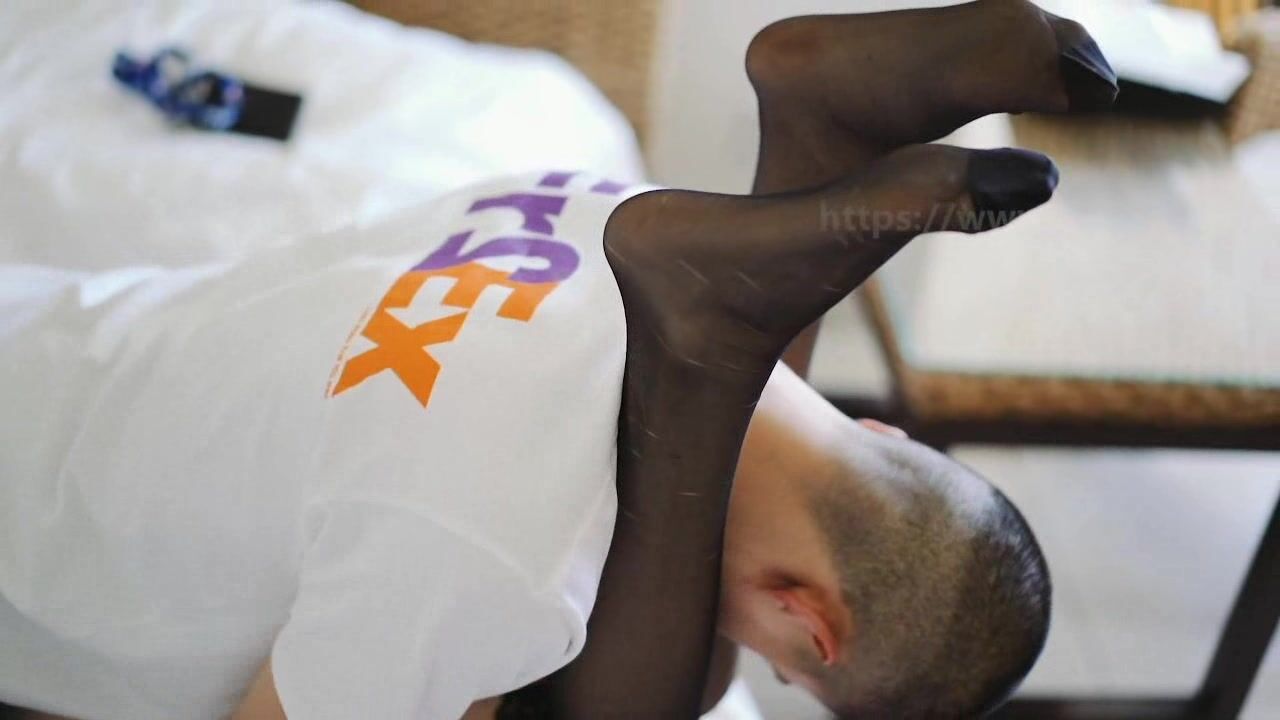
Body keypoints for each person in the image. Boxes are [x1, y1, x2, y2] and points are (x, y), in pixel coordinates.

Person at [0, 1, 1115, 719]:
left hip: (66, 349)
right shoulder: (492, 558)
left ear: (883, 432)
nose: (762, 668)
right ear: (808, 624)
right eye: (790, 667)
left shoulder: (592, 200)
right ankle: (809, 155)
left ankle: (816, 141)